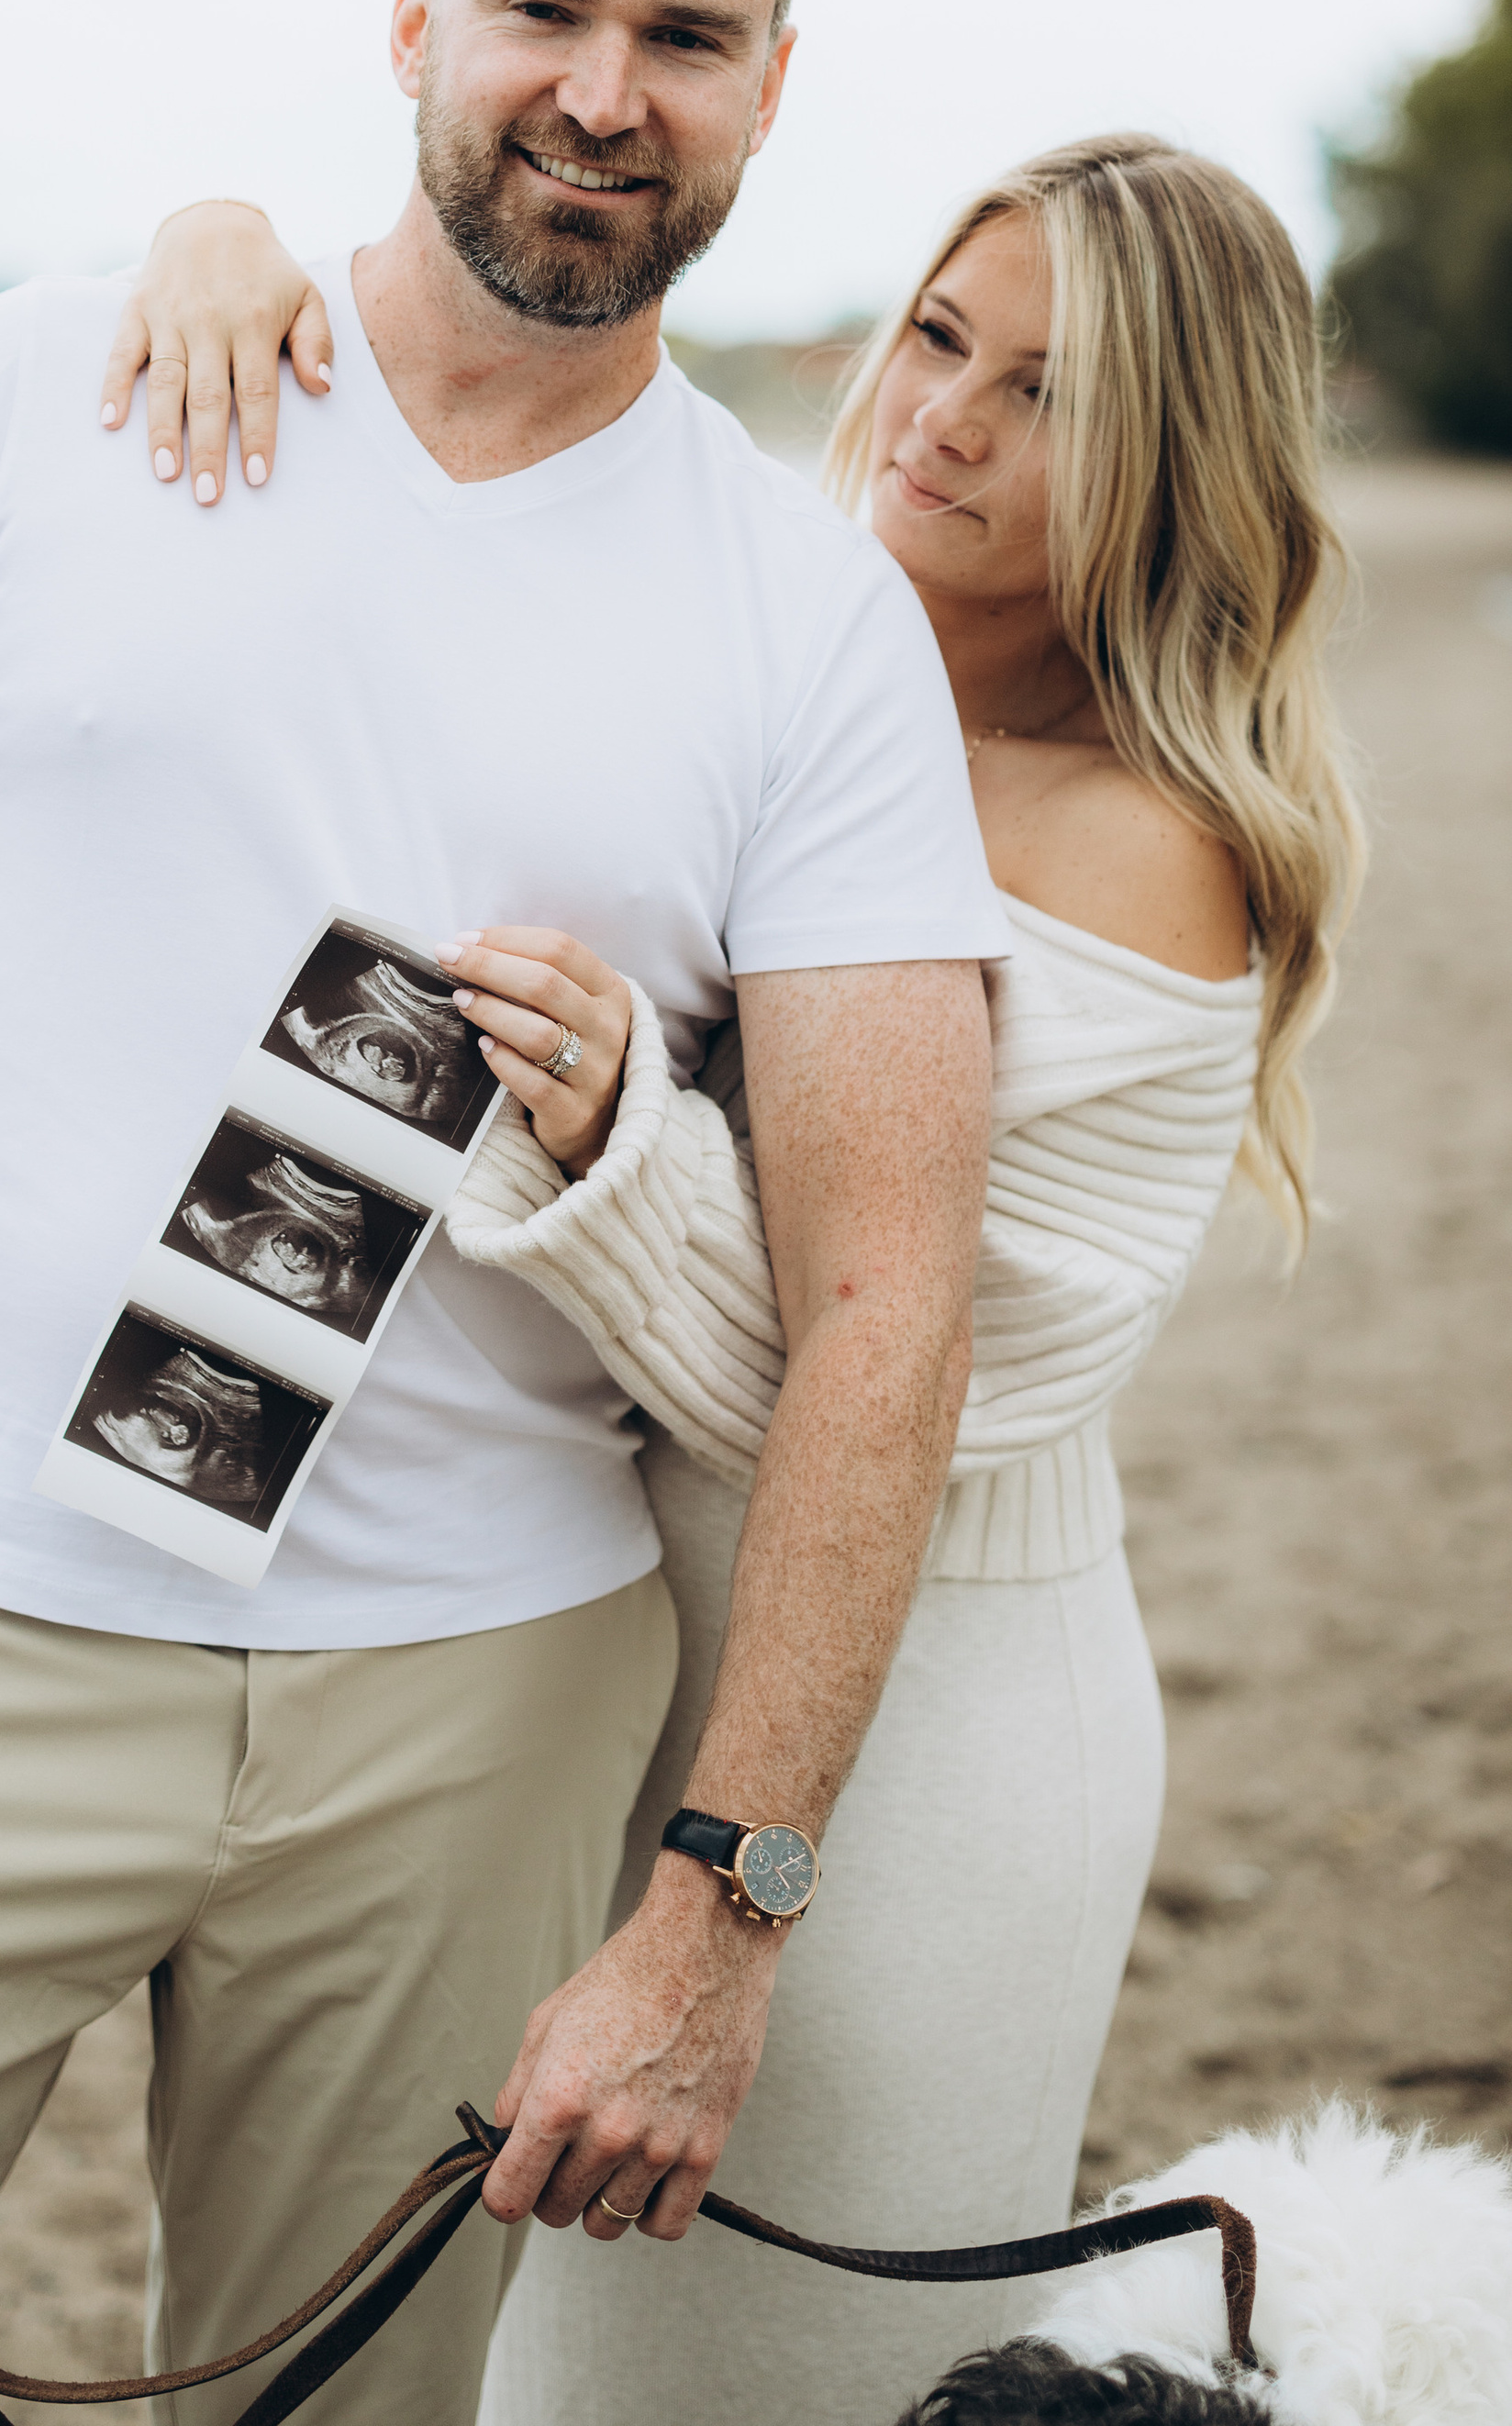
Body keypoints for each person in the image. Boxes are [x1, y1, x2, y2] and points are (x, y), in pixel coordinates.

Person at [0, 0, 1008, 2426]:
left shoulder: (812, 630)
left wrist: (718, 1919)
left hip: (476, 1711)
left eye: (688, 39)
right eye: (543, 5)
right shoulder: (27, 400)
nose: (601, 87)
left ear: (774, 91)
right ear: (417, 9)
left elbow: (892, 1297)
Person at [104, 130, 1363, 2422]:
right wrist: (225, 256)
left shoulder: (1138, 845)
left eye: (1046, 393)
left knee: (752, 2385)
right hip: (563, 1630)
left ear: (1177, 455)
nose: (940, 416)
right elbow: (439, 541)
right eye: (936, 337)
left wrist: (608, 1141)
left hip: (920, 1730)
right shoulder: (779, 651)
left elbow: (903, 1365)